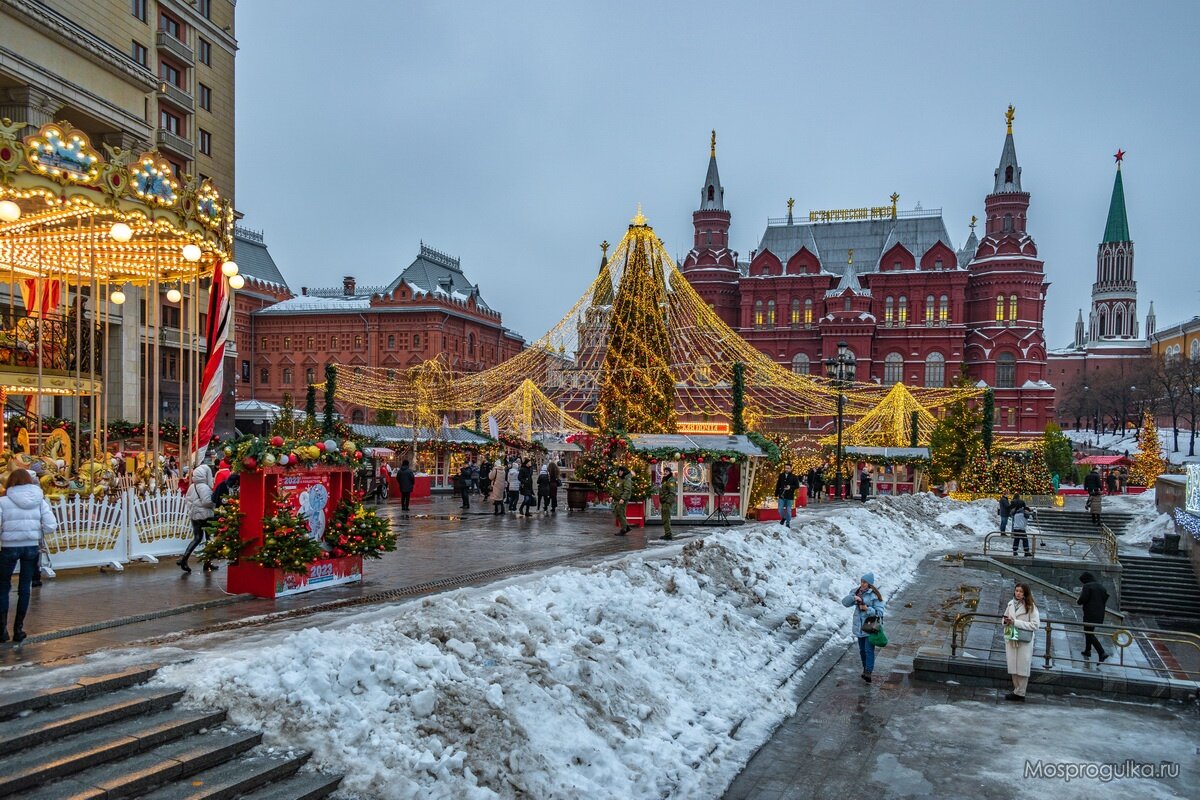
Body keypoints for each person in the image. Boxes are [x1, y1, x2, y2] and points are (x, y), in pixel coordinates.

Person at [0, 469, 57, 643]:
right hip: (31, 547)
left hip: (9, 547)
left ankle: (2, 630)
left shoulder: (3, 501)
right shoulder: (39, 501)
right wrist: (36, 531)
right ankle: (19, 629)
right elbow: (50, 525)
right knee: (25, 588)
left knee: (3, 587)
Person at [841, 572, 886, 683]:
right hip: (859, 627)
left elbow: (880, 612)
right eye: (861, 581)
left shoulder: (874, 595)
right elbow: (845, 603)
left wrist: (867, 609)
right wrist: (853, 597)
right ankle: (865, 669)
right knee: (862, 651)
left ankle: (868, 672)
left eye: (865, 582)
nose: (862, 584)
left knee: (868, 650)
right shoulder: (856, 592)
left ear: (869, 583)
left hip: (870, 626)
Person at [1002, 582, 1041, 701]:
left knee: (1022, 665)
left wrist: (1016, 623)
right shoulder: (1010, 604)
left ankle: (1021, 692)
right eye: (1016, 591)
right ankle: (1016, 690)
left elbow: (1035, 625)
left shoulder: (1031, 606)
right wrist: (1005, 621)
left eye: (1021, 591)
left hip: (1023, 639)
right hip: (1012, 635)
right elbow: (1004, 617)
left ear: (1025, 593)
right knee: (1013, 665)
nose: (1018, 593)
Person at [179, 463, 215, 574]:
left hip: (194, 515)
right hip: (205, 516)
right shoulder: (204, 487)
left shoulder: (192, 486)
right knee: (209, 538)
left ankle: (184, 559)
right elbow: (207, 502)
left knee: (197, 538)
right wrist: (215, 503)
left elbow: (189, 500)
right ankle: (207, 561)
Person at [1077, 572, 1110, 662]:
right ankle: (1088, 650)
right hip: (1099, 613)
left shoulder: (1087, 586)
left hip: (1089, 613)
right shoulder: (1101, 586)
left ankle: (1102, 652)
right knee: (1089, 631)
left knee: (1088, 632)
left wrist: (1078, 601)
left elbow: (1083, 599)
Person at [658, 466, 677, 540]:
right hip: (664, 502)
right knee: (664, 518)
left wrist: (668, 502)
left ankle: (668, 534)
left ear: (669, 472)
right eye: (664, 471)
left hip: (666, 502)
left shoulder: (671, 480)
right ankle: (667, 533)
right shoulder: (665, 480)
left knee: (666, 518)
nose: (665, 472)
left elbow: (672, 493)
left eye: (667, 471)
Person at [612, 466, 632, 535]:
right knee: (618, 513)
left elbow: (627, 490)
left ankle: (624, 529)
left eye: (621, 471)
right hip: (617, 499)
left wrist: (623, 498)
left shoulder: (627, 479)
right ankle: (626, 527)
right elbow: (616, 489)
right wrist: (612, 496)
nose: (620, 472)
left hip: (622, 500)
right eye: (619, 471)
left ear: (624, 472)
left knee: (620, 514)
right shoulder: (619, 479)